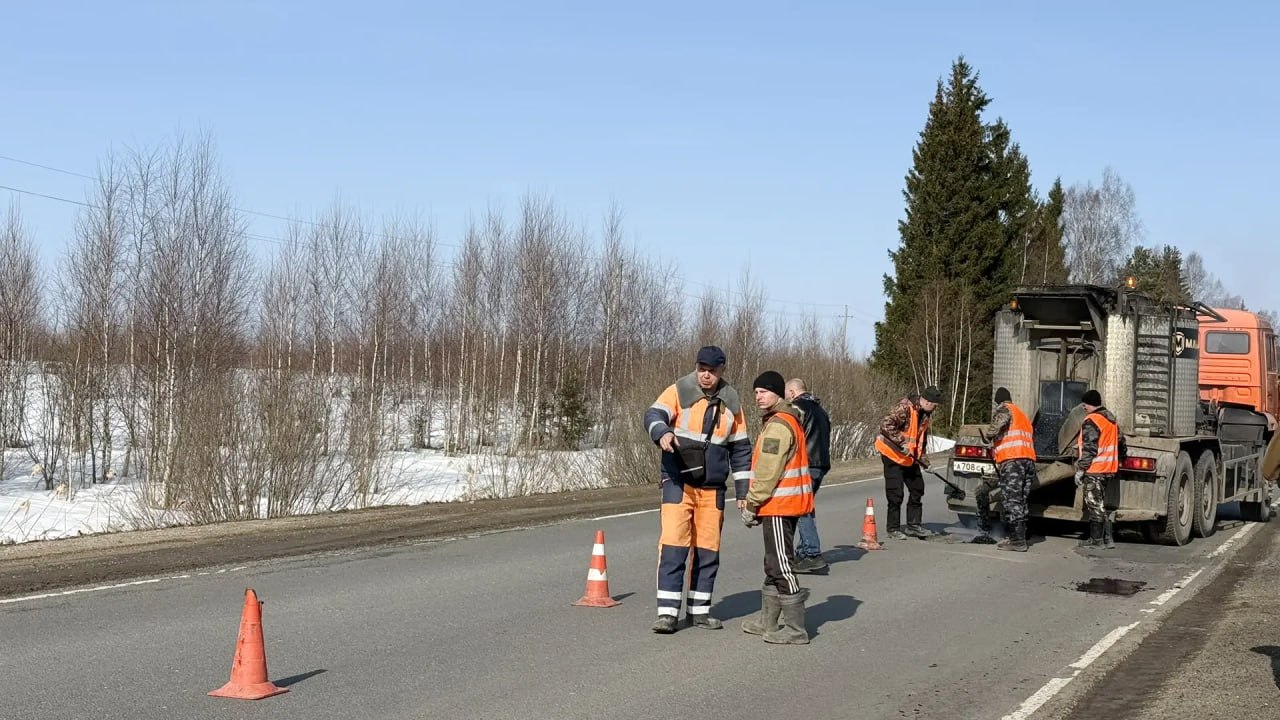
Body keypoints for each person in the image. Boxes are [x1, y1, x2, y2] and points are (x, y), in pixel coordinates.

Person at [643, 345, 753, 634]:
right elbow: (653, 414)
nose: (706, 375)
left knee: (707, 551)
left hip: (713, 489)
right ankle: (667, 614)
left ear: (721, 371)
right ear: (696, 367)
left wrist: (743, 492)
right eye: (702, 369)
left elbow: (741, 448)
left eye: (712, 371)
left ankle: (700, 611)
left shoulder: (732, 402)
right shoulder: (679, 390)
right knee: (673, 547)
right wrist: (662, 432)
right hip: (677, 482)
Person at [740, 371, 815, 645]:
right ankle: (768, 622)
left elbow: (768, 471)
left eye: (763, 391)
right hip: (782, 503)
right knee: (773, 562)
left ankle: (796, 631)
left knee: (781, 565)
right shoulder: (783, 420)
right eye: (756, 392)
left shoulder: (779, 425)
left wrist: (752, 503)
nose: (758, 397)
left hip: (779, 504)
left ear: (778, 394)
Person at [971, 387, 1036, 552]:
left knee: (1012, 500)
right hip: (1027, 461)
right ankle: (1020, 535)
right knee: (1020, 500)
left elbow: (998, 423)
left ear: (999, 401)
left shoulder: (1005, 409)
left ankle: (1017, 541)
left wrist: (989, 436)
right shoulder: (1022, 415)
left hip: (1013, 460)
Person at [876, 386, 942, 540]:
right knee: (896, 493)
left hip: (909, 457)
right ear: (925, 401)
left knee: (918, 488)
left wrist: (926, 463)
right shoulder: (904, 408)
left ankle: (914, 525)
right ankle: (893, 528)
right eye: (934, 404)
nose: (935, 408)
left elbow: (920, 443)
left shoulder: (925, 415)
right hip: (891, 454)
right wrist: (901, 444)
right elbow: (885, 425)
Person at [784, 378, 831, 573]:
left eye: (786, 393)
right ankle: (803, 552)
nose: (785, 397)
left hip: (806, 463)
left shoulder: (797, 408)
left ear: (793, 392)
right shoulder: (820, 410)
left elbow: (791, 436)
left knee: (801, 509)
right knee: (806, 506)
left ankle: (812, 553)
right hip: (821, 463)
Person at [1074, 389, 1126, 550]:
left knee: (1093, 503)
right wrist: (1121, 459)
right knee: (1099, 503)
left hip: (1095, 468)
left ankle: (1097, 540)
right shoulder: (1111, 420)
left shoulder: (1092, 420)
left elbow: (1090, 448)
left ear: (1090, 404)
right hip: (1108, 468)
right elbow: (1121, 443)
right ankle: (1107, 539)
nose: (1083, 407)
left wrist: (1081, 469)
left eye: (1084, 404)